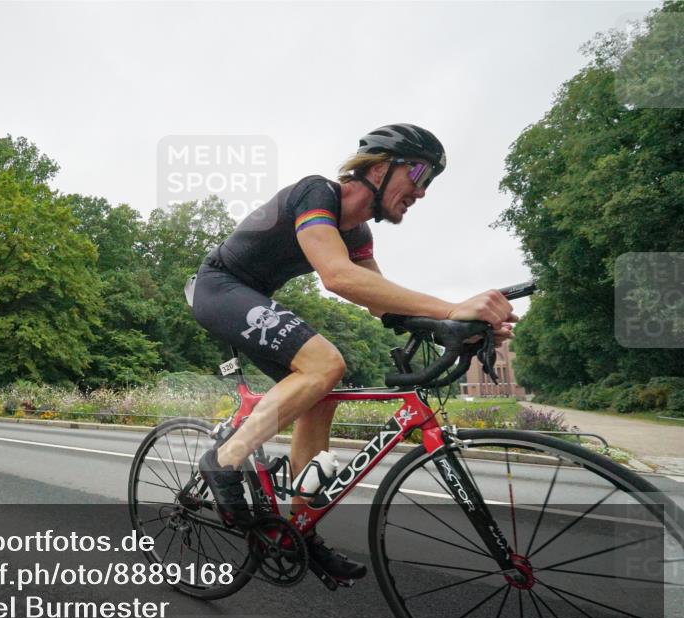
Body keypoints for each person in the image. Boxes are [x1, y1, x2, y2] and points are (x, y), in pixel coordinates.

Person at [191, 124, 517, 584]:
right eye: (418, 174)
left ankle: (299, 531)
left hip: (252, 296)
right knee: (326, 362)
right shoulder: (317, 193)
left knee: (321, 392)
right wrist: (450, 307)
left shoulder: (358, 233)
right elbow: (338, 276)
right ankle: (224, 459)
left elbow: (380, 300)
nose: (422, 191)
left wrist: (456, 326)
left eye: (429, 181)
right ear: (379, 168)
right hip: (218, 286)